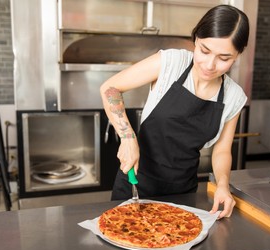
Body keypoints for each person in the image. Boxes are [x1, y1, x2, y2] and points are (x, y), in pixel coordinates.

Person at [100, 5, 249, 219]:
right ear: (196, 39)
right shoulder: (171, 63)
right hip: (135, 182)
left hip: (183, 191)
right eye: (204, 51)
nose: (209, 64)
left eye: (224, 58)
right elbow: (110, 89)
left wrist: (222, 186)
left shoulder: (234, 96)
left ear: (237, 55)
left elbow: (222, 150)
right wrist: (128, 137)